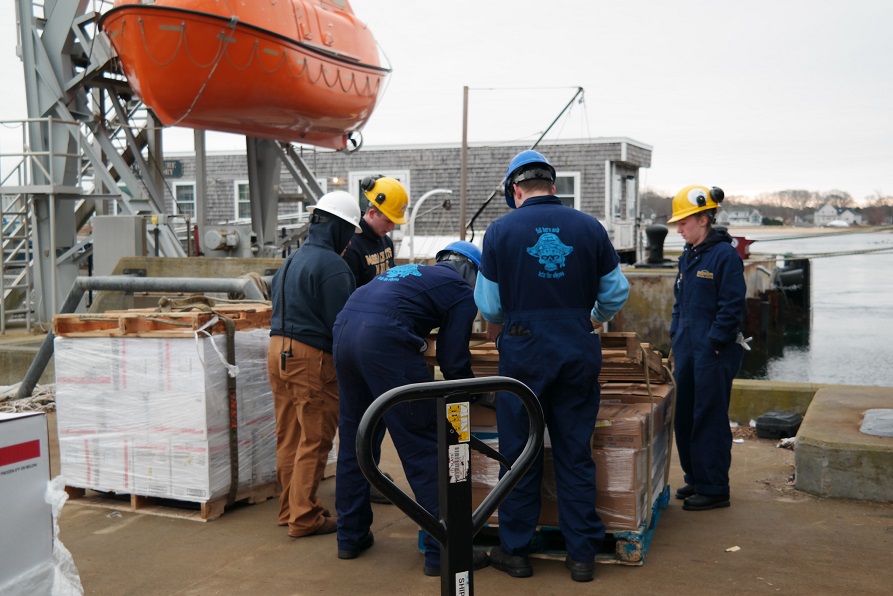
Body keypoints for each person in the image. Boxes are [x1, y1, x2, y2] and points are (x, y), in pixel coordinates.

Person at [474, 149, 629, 583]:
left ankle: (517, 552)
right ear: (553, 187)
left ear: (516, 190)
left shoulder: (500, 231)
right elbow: (616, 292)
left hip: (522, 352)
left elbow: (489, 304)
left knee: (519, 452)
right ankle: (581, 557)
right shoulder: (589, 227)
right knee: (575, 452)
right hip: (577, 348)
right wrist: (590, 319)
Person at [333, 241, 488, 576]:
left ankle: (350, 537)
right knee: (424, 446)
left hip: (344, 332)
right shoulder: (461, 290)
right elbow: (453, 359)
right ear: (473, 270)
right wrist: (477, 394)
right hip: (383, 342)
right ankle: (442, 552)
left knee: (357, 441)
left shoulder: (410, 273)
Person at [267, 190, 362, 538]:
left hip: (277, 352)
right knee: (315, 439)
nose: (350, 242)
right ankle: (304, 517)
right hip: (310, 357)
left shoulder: (290, 261)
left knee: (289, 436)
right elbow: (342, 326)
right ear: (338, 229)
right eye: (350, 233)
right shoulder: (333, 267)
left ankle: (289, 509)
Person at [667, 185, 746, 511]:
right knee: (684, 416)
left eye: (683, 223)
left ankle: (715, 487)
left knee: (708, 417)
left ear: (703, 219)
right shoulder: (689, 256)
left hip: (713, 353)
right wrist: (674, 337)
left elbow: (732, 307)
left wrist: (715, 342)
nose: (679, 229)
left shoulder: (724, 256)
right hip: (687, 348)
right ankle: (696, 477)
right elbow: (680, 303)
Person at [341, 175, 409, 505]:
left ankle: (372, 473)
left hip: (381, 337)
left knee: (378, 416)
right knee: (359, 422)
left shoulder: (384, 244)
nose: (392, 228)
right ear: (373, 211)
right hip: (358, 339)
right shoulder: (352, 248)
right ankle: (359, 482)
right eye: (389, 220)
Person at [342, 176, 408, 286]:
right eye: (388, 221)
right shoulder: (350, 247)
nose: (392, 228)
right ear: (372, 213)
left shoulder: (387, 243)